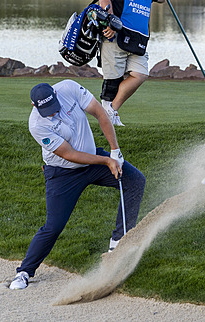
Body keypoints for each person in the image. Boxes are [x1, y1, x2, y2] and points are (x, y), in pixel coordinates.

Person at [9, 80, 145, 290]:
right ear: (34, 107)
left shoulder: (69, 88)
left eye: (54, 108)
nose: (53, 114)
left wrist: (114, 151)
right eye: (46, 111)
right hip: (63, 173)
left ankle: (119, 242)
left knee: (134, 180)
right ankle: (24, 272)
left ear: (56, 94)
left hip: (93, 159)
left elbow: (100, 113)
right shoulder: (37, 125)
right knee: (53, 226)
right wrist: (107, 160)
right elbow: (70, 155)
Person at [97, 0, 166, 126]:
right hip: (116, 35)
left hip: (139, 38)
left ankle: (111, 111)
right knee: (113, 79)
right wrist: (111, 22)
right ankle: (109, 116)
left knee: (141, 74)